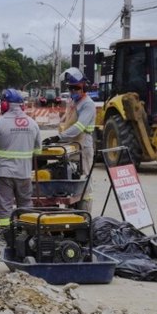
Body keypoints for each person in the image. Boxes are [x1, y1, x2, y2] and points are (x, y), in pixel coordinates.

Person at [0, 88, 41, 236]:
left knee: (5, 206)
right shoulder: (33, 124)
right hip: (24, 173)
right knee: (26, 205)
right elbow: (38, 152)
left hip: (2, 173)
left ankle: (8, 236)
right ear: (22, 105)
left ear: (4, 105)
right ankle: (27, 234)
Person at [44, 68, 96, 211]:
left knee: (84, 179)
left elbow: (79, 127)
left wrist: (59, 137)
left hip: (83, 145)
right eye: (71, 88)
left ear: (83, 87)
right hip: (71, 144)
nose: (73, 91)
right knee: (70, 176)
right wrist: (58, 139)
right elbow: (67, 123)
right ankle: (70, 209)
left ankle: (84, 212)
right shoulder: (73, 102)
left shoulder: (88, 104)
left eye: (76, 88)